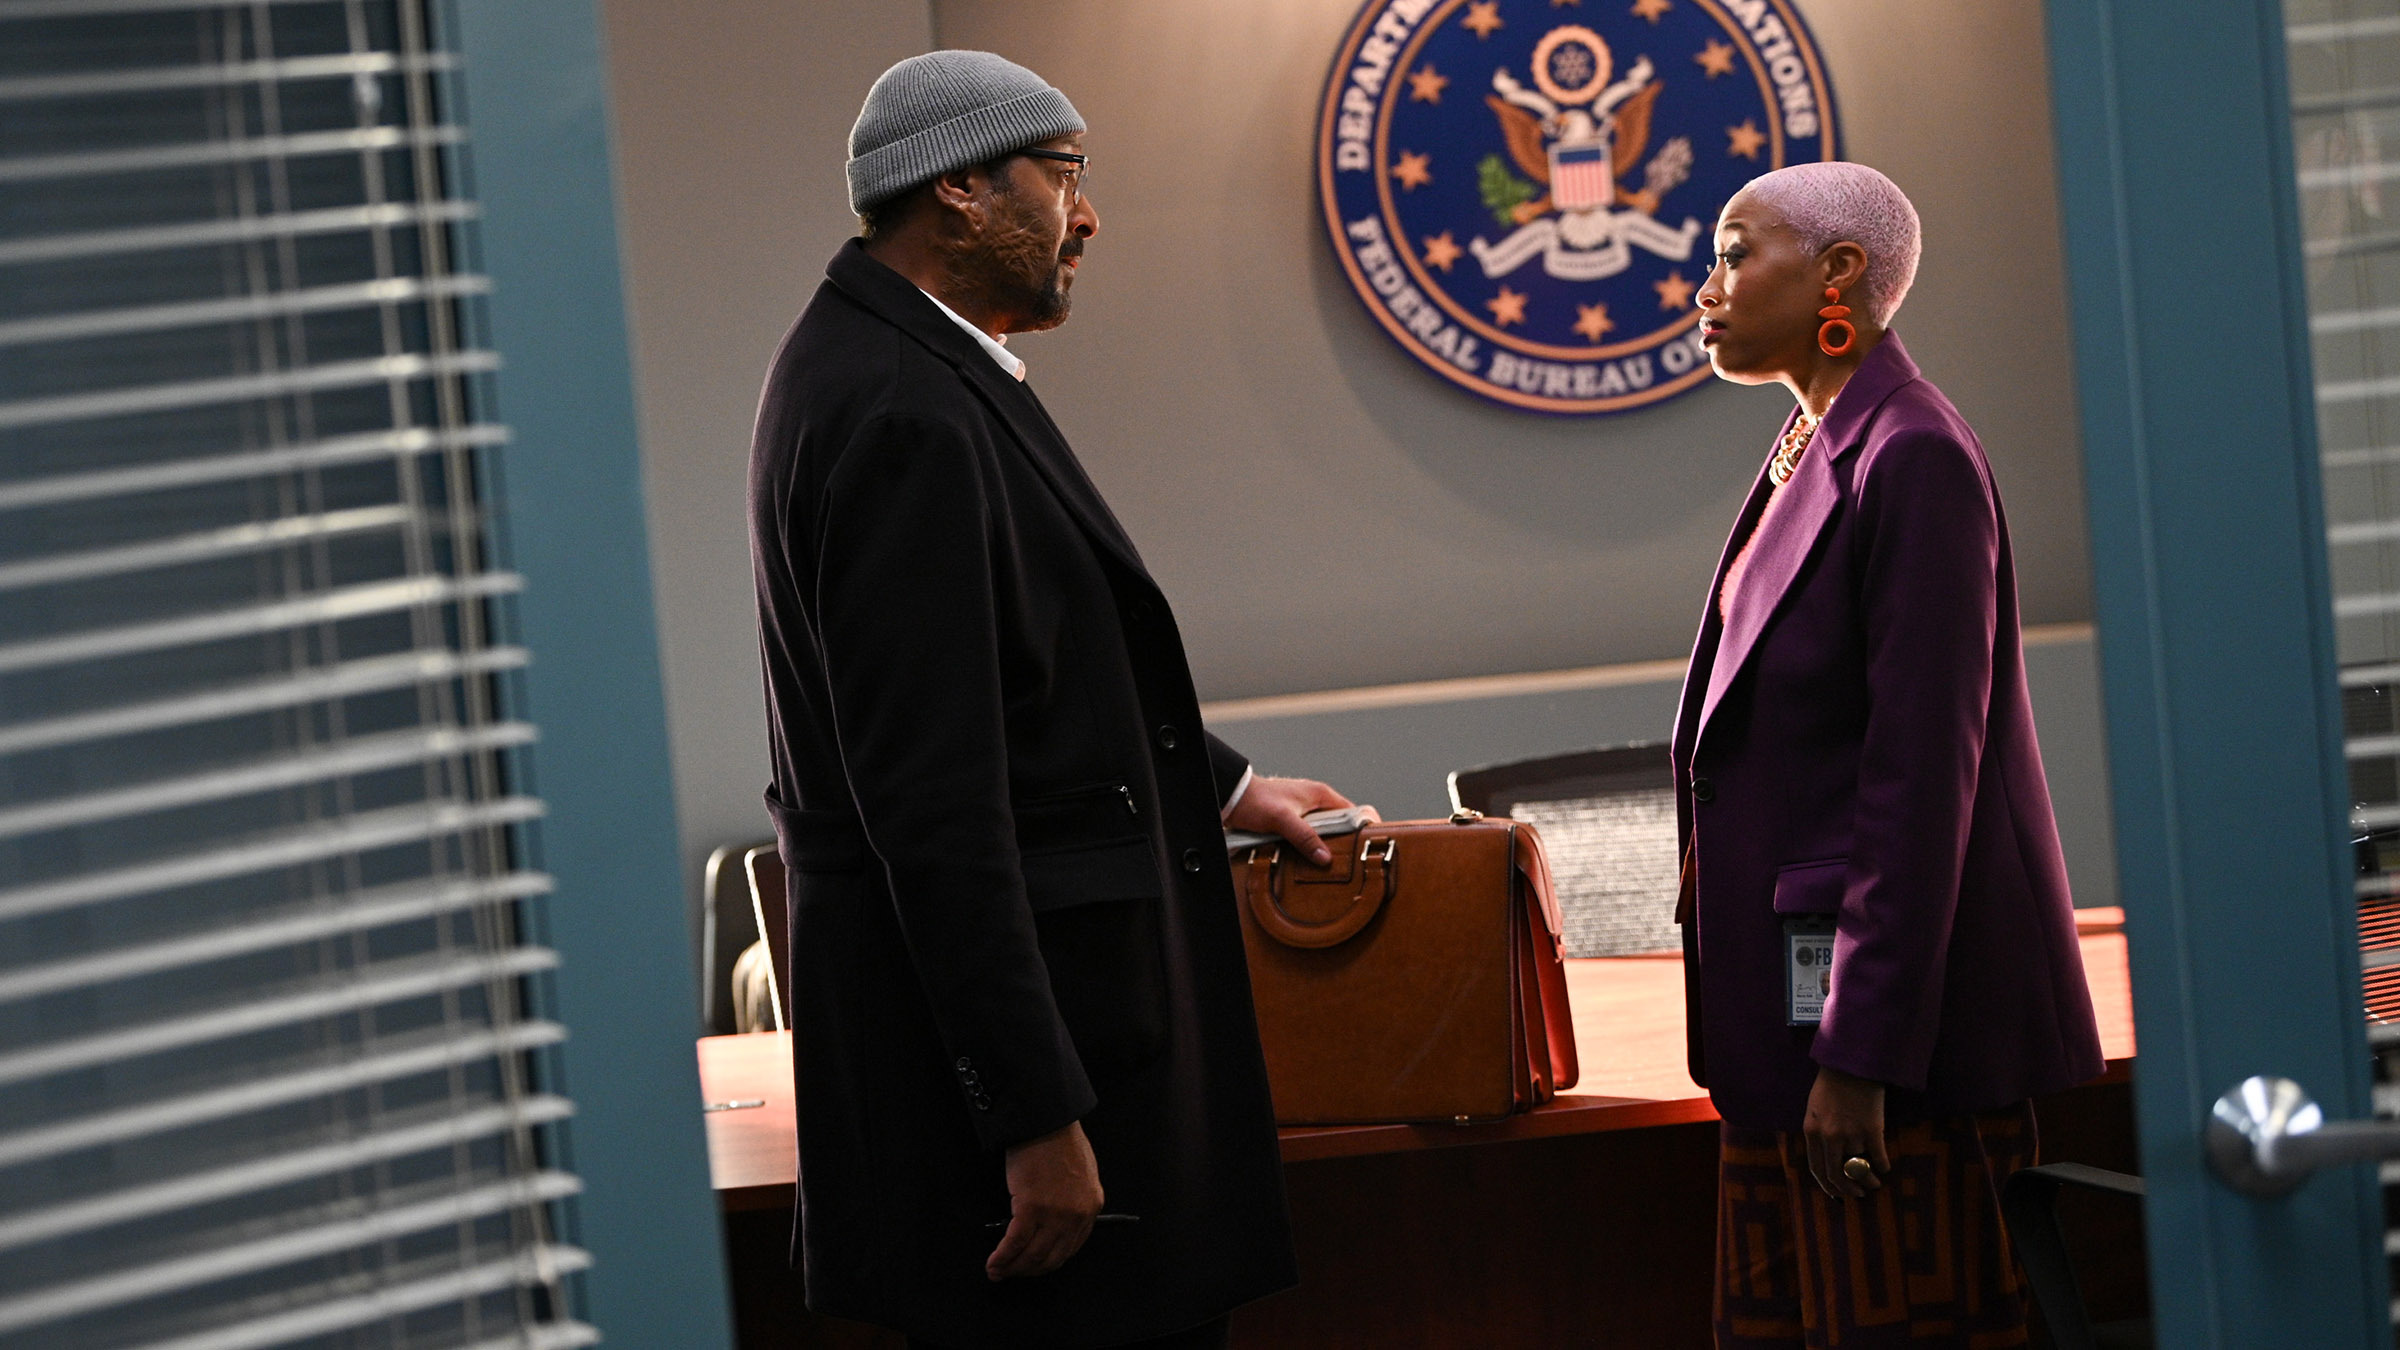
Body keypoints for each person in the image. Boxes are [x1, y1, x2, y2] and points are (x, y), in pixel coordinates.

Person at [747, 50, 1355, 1350]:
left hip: (1050, 1042)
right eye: (1065, 175)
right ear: (960, 188)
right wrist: (1030, 1113)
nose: (1089, 216)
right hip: (1025, 1100)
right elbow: (934, 808)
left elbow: (1029, 673)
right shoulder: (902, 413)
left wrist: (1229, 786)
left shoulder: (903, 366)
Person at [1672, 162, 2105, 1349]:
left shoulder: (1913, 454)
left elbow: (1921, 787)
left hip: (1893, 1057)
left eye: (1734, 254)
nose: (1707, 288)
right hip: (1787, 1033)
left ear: (1838, 272)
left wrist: (1860, 1056)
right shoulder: (1814, 441)